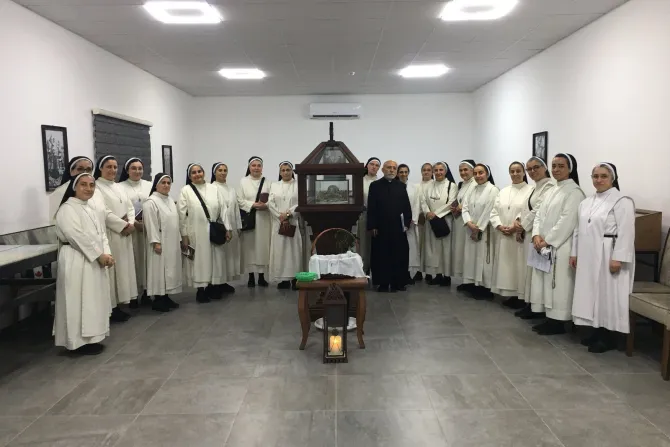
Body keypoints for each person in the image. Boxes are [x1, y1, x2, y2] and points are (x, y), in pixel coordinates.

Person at [571, 163, 635, 353]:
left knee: (608, 295)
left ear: (613, 178)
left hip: (609, 252)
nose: (599, 180)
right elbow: (578, 229)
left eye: (604, 176)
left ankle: (609, 336)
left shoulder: (622, 201)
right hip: (588, 253)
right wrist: (574, 252)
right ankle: (596, 331)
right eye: (595, 176)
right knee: (592, 294)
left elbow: (627, 232)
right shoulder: (586, 202)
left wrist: (618, 258)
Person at [54, 173, 113, 355]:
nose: (88, 188)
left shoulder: (91, 208)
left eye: (91, 185)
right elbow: (75, 236)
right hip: (76, 259)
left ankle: (92, 339)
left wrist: (107, 253)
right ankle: (76, 342)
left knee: (92, 300)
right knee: (76, 300)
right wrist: (99, 255)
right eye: (83, 185)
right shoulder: (67, 209)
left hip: (94, 259)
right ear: (74, 187)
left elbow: (102, 234)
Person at [530, 153, 585, 335]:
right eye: (553, 166)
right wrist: (536, 234)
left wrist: (548, 240)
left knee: (558, 285)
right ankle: (549, 318)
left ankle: (559, 321)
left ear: (570, 168)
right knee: (546, 283)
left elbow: (567, 221)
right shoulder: (552, 189)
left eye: (561, 166)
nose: (556, 169)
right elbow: (539, 215)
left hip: (561, 245)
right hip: (544, 244)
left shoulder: (575, 192)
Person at [94, 156, 137, 322]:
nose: (112, 170)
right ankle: (112, 306)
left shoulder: (118, 186)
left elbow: (130, 207)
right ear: (100, 168)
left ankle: (120, 303)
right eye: (108, 167)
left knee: (124, 270)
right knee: (113, 272)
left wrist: (131, 223)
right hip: (112, 234)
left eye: (114, 167)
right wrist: (122, 225)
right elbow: (104, 211)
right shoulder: (96, 187)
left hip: (125, 235)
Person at [179, 163, 231, 303]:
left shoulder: (214, 188)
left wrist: (228, 228)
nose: (197, 174)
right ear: (190, 176)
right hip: (196, 231)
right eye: (194, 172)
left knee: (215, 259)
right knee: (200, 261)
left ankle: (213, 286)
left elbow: (223, 209)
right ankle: (201, 290)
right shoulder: (186, 190)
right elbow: (181, 215)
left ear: (204, 173)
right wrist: (184, 235)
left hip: (214, 230)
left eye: (199, 171)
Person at [514, 157, 555, 320]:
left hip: (537, 233)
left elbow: (538, 209)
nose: (532, 171)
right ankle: (530, 303)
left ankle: (535, 307)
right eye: (529, 169)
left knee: (536, 273)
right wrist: (518, 220)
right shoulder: (535, 187)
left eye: (536, 167)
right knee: (529, 272)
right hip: (528, 232)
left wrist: (522, 226)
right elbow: (525, 208)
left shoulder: (549, 186)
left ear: (545, 168)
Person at [490, 162, 533, 308]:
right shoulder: (503, 191)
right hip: (504, 235)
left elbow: (529, 211)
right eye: (512, 171)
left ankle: (520, 296)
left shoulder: (530, 190)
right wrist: (499, 225)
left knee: (519, 266)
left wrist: (516, 226)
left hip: (519, 235)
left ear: (524, 172)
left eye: (518, 171)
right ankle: (511, 294)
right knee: (506, 267)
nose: (515, 174)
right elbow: (494, 211)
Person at [367, 160, 412, 292]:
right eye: (389, 167)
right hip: (380, 228)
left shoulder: (401, 186)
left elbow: (406, 206)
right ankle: (383, 283)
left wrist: (406, 223)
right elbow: (372, 207)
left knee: (399, 255)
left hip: (398, 227)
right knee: (381, 255)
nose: (391, 170)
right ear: (383, 170)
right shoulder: (375, 186)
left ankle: (399, 282)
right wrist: (372, 226)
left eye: (394, 168)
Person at [143, 173, 182, 313]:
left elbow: (175, 222)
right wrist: (155, 242)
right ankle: (158, 299)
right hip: (160, 242)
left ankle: (165, 296)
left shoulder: (170, 200)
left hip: (172, 242)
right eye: (163, 182)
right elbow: (151, 224)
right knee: (159, 270)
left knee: (170, 270)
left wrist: (179, 238)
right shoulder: (151, 202)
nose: (166, 185)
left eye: (168, 183)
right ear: (156, 185)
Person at [118, 157, 153, 308]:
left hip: (147, 230)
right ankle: (133, 295)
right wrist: (135, 223)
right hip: (130, 230)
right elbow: (120, 208)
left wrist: (146, 223)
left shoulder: (149, 185)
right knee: (133, 262)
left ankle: (147, 291)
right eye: (133, 168)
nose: (137, 171)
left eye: (140, 168)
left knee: (146, 260)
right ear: (127, 170)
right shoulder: (119, 187)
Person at [461, 164, 500, 299]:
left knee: (484, 259)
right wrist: (468, 222)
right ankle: (473, 284)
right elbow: (465, 207)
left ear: (487, 174)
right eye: (476, 173)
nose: (478, 176)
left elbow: (489, 210)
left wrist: (478, 229)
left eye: (481, 173)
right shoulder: (472, 189)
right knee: (472, 258)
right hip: (471, 228)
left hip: (485, 231)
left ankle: (486, 288)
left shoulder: (493, 190)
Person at [421, 162, 458, 287]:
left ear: (445, 171)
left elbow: (451, 203)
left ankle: (446, 276)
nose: (438, 172)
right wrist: (427, 212)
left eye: (441, 170)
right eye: (435, 170)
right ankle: (437, 274)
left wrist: (436, 214)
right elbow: (423, 200)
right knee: (433, 249)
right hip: (431, 221)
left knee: (445, 249)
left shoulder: (451, 186)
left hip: (445, 220)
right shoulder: (429, 185)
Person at [238, 156, 272, 287]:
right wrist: (252, 204)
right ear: (249, 167)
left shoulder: (268, 183)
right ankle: (251, 276)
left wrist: (265, 205)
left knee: (262, 248)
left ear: (262, 168)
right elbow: (239, 200)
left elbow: (272, 199)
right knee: (249, 248)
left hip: (264, 219)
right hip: (249, 219)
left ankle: (262, 276)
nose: (256, 168)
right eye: (253, 165)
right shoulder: (243, 182)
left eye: (259, 165)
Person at [268, 161, 303, 289]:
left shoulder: (298, 185)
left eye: (288, 170)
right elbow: (270, 203)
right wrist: (280, 216)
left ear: (292, 171)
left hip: (293, 221)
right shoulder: (274, 185)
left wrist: (288, 214)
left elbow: (300, 202)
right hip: (279, 222)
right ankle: (283, 279)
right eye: (283, 170)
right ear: (279, 172)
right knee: (280, 251)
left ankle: (295, 278)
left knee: (294, 251)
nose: (286, 172)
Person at [211, 163, 242, 294]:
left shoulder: (231, 189)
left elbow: (236, 209)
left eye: (225, 170)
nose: (223, 173)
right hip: (219, 226)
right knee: (219, 257)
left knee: (229, 256)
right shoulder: (211, 188)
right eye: (220, 170)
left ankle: (224, 281)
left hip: (232, 226)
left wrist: (238, 226)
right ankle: (216, 283)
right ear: (214, 173)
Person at [452, 160, 477, 291]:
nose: (463, 172)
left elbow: (472, 202)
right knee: (462, 252)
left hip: (470, 222)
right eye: (461, 170)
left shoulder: (475, 183)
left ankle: (472, 281)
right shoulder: (462, 184)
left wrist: (460, 207)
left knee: (470, 253)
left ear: (472, 170)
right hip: (460, 222)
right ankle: (466, 280)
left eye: (465, 169)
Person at [49, 156, 94, 223]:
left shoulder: (95, 191)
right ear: (71, 171)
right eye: (80, 169)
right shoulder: (58, 194)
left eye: (88, 170)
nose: (84, 172)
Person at [397, 164, 421, 284]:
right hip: (396, 223)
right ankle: (398, 273)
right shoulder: (394, 186)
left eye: (406, 172)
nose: (403, 174)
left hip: (410, 223)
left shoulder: (414, 187)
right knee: (398, 249)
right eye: (401, 172)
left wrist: (413, 219)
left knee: (410, 249)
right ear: (397, 173)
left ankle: (408, 274)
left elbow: (417, 203)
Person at [359, 157, 380, 274]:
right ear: (367, 166)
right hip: (364, 215)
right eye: (372, 164)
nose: (374, 167)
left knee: (376, 244)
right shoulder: (360, 181)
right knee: (364, 244)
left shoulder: (381, 182)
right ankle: (364, 269)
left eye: (377, 165)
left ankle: (376, 269)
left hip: (378, 217)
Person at [415, 163, 434, 282]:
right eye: (424, 170)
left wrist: (427, 214)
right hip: (418, 221)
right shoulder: (416, 186)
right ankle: (418, 271)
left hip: (431, 220)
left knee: (429, 248)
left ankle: (429, 272)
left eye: (428, 170)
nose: (426, 172)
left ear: (432, 172)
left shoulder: (435, 185)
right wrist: (418, 216)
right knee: (418, 247)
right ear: (421, 172)